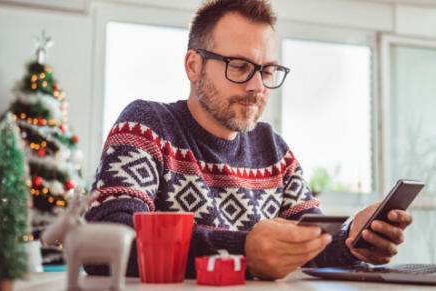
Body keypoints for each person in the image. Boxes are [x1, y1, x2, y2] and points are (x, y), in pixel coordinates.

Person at [84, 0, 412, 280]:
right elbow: (104, 243)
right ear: (193, 66)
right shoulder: (146, 125)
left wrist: (353, 241)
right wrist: (243, 252)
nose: (257, 86)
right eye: (240, 67)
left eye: (267, 71)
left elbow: (307, 247)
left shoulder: (274, 149)